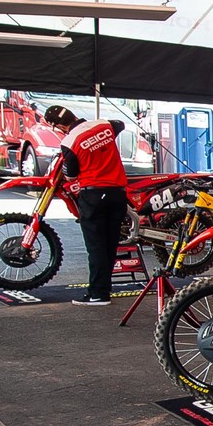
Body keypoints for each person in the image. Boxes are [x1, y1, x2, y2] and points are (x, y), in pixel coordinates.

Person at [45, 104, 129, 306]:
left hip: (93, 195)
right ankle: (103, 289)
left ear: (60, 126)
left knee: (96, 247)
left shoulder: (69, 142)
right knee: (110, 245)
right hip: (118, 193)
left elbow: (71, 174)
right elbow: (121, 124)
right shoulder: (104, 125)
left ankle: (98, 294)